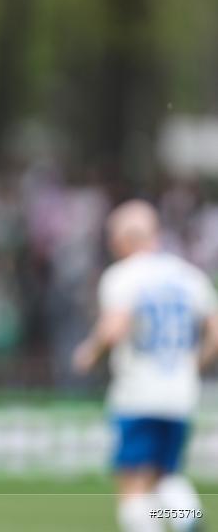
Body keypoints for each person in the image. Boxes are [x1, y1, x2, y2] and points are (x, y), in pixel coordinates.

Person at [73, 199, 218, 532]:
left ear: (125, 238)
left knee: (133, 488)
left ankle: (171, 523)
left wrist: (89, 353)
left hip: (138, 393)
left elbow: (115, 328)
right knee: (166, 476)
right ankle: (188, 519)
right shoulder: (189, 276)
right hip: (180, 394)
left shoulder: (123, 277)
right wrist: (193, 365)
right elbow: (215, 333)